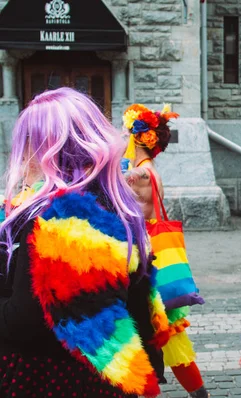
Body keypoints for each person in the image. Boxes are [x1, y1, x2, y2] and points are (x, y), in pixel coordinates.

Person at [0, 87, 168, 397]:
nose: (22, 157)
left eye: (27, 145)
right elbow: (140, 303)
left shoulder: (61, 219)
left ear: (46, 150)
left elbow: (25, 323)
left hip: (50, 379)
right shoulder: (114, 205)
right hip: (106, 376)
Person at [122, 103, 209, 398]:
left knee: (157, 333)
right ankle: (199, 394)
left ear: (138, 137)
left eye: (126, 132)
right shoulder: (145, 170)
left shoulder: (139, 174)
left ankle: (198, 393)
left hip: (146, 262)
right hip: (147, 259)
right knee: (164, 335)